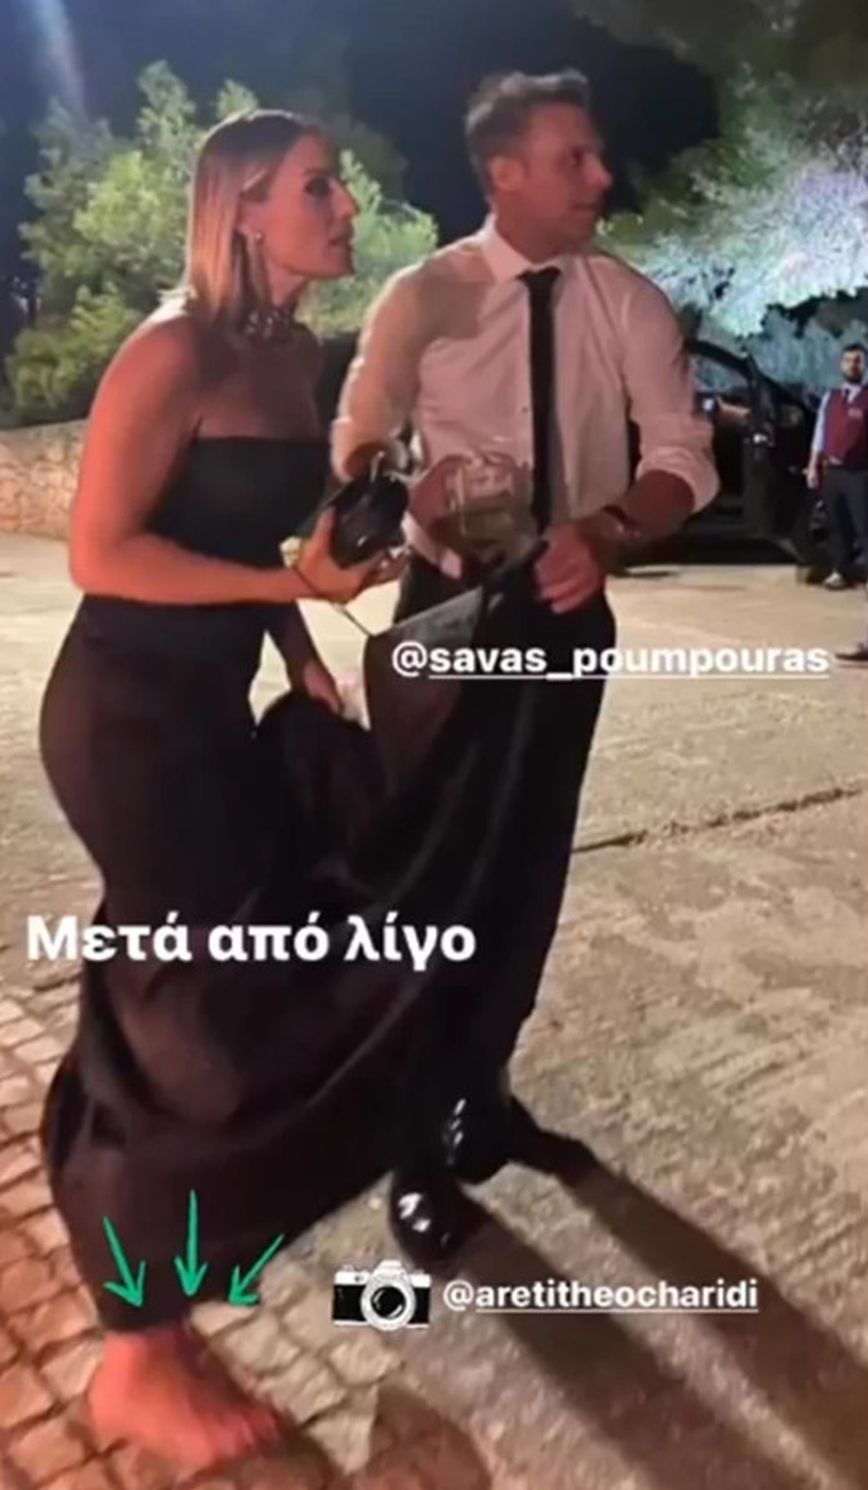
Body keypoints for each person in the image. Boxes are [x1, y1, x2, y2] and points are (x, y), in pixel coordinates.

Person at [37, 110, 557, 1473]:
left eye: (342, 182)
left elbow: (245, 533)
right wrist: (290, 586)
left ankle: (150, 1305)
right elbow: (102, 552)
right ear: (243, 208)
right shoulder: (173, 351)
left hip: (212, 712)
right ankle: (138, 1352)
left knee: (195, 1002)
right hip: (127, 720)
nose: (346, 204)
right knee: (194, 1023)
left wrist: (300, 646)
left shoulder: (287, 356)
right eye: (318, 187)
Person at [333, 70, 718, 1258]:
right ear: (503, 173)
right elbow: (356, 442)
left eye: (596, 156)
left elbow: (684, 458)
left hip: (563, 615)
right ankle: (407, 1137)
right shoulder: (423, 294)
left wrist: (605, 530)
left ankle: (480, 1089)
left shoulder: (626, 301)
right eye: (574, 159)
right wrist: (412, 492)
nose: (602, 177)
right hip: (447, 610)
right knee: (426, 875)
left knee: (526, 867)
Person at [807, 342, 868, 590]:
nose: (852, 365)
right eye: (848, 360)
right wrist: (813, 465)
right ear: (841, 364)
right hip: (833, 472)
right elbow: (820, 433)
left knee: (864, 524)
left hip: (859, 473)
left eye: (857, 361)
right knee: (837, 525)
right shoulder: (830, 398)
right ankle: (840, 571)